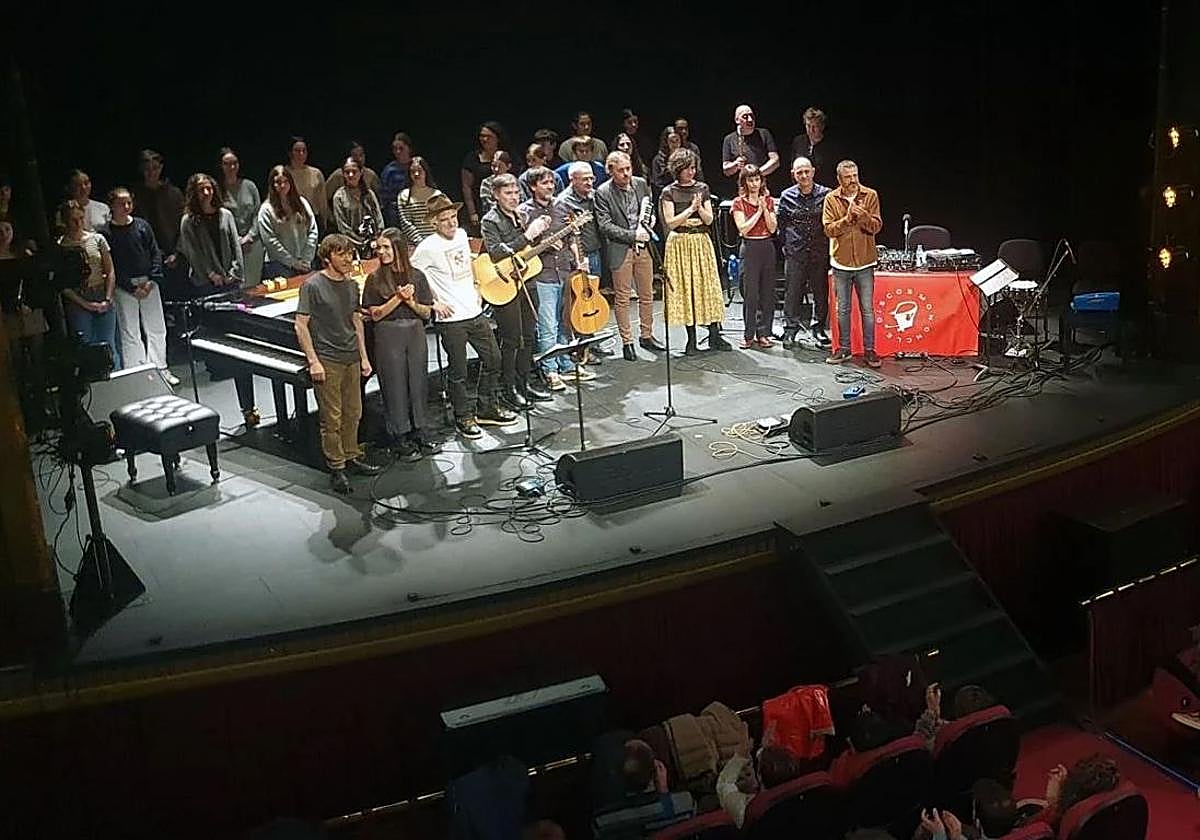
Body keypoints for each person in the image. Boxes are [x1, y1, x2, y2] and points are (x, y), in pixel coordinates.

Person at [411, 194, 515, 439]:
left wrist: (478, 286)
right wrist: (434, 302)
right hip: (451, 320)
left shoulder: (460, 236)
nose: (451, 223)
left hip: (474, 311)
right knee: (458, 371)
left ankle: (487, 407)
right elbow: (413, 277)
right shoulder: (427, 248)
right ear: (433, 223)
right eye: (444, 219)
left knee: (494, 359)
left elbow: (469, 264)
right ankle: (463, 416)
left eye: (453, 217)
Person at [294, 234, 382, 494]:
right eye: (341, 254)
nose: (347, 259)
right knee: (331, 418)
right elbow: (301, 325)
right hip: (328, 359)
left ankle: (352, 454)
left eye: (349, 253)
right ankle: (337, 467)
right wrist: (313, 361)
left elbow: (356, 322)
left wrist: (364, 357)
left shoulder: (352, 285)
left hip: (351, 357)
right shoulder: (312, 286)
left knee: (353, 411)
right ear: (327, 257)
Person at [362, 228, 440, 459]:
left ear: (399, 248)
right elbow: (374, 313)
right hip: (388, 334)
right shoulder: (374, 279)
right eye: (379, 247)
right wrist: (399, 298)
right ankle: (399, 435)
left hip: (414, 332)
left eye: (386, 247)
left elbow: (426, 312)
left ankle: (419, 430)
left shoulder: (417, 276)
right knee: (394, 384)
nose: (381, 251)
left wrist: (412, 302)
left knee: (417, 381)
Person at [481, 173, 553, 409]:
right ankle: (508, 388)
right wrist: (528, 235)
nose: (513, 197)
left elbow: (526, 252)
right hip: (505, 284)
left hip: (527, 280)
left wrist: (542, 237)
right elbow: (497, 253)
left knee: (529, 335)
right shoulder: (490, 221)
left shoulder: (521, 215)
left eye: (515, 193)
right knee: (512, 338)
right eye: (507, 193)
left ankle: (525, 383)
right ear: (496, 195)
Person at [660, 149, 731, 356]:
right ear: (678, 170)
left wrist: (699, 208)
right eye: (687, 169)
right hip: (680, 242)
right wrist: (691, 209)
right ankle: (691, 340)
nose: (691, 172)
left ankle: (714, 334)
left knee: (707, 287)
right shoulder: (669, 192)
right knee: (686, 289)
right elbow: (671, 222)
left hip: (701, 241)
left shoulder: (702, 188)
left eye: (693, 168)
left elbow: (709, 220)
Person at [99, 188, 174, 383]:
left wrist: (152, 279)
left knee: (156, 326)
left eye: (128, 203)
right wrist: (130, 287)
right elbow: (112, 263)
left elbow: (154, 252)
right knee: (129, 330)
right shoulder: (106, 232)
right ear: (112, 206)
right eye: (121, 203)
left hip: (148, 282)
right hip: (125, 287)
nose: (126, 207)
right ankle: (138, 373)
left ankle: (161, 368)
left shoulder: (142, 226)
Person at [520, 167, 582, 393]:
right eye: (544, 183)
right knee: (547, 325)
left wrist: (578, 261)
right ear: (534, 186)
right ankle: (550, 370)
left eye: (551, 183)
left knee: (565, 321)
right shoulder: (524, 212)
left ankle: (566, 364)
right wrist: (543, 244)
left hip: (564, 270)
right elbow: (522, 247)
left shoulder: (563, 206)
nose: (550, 186)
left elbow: (572, 237)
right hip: (542, 274)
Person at [594, 151, 657, 361]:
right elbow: (605, 226)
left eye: (628, 169)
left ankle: (647, 335)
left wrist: (651, 221)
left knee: (647, 294)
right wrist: (632, 235)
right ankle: (627, 342)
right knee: (622, 298)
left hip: (643, 247)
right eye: (621, 170)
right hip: (621, 249)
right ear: (610, 171)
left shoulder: (639, 183)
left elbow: (648, 208)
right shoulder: (603, 192)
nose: (626, 174)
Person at [822, 159, 882, 367]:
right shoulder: (831, 199)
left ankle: (870, 350)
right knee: (842, 309)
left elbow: (876, 227)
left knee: (867, 309)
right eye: (848, 177)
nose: (853, 180)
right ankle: (844, 349)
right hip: (841, 263)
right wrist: (847, 220)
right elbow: (828, 230)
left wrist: (863, 216)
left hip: (865, 262)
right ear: (839, 179)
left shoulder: (870, 195)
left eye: (855, 176)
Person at [777, 156, 832, 348]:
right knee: (793, 292)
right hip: (796, 251)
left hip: (819, 250)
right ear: (793, 175)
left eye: (806, 171)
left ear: (813, 172)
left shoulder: (827, 194)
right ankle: (790, 329)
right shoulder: (786, 196)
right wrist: (787, 247)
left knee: (820, 291)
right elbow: (781, 225)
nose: (804, 175)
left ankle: (818, 328)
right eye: (799, 172)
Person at [58, 199, 120, 368]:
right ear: (65, 221)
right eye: (73, 219)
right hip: (79, 299)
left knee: (108, 344)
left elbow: (110, 270)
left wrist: (107, 298)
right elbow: (63, 284)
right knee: (87, 346)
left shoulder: (97, 239)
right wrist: (86, 304)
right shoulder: (61, 246)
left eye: (80, 218)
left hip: (101, 293)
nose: (78, 223)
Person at [731, 164, 778, 349]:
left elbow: (773, 227)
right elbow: (743, 229)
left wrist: (765, 208)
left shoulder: (769, 200)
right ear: (745, 181)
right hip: (750, 247)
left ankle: (764, 333)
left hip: (767, 246)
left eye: (757, 179)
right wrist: (758, 211)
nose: (754, 183)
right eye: (750, 179)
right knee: (751, 294)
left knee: (767, 293)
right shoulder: (738, 203)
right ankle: (749, 334)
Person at [131, 150, 185, 293]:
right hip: (149, 259)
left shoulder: (174, 194)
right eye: (147, 169)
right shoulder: (135, 196)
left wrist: (177, 253)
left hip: (176, 256)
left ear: (161, 168)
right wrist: (156, 255)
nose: (151, 172)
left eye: (155, 168)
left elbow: (184, 226)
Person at [178, 173, 243, 292]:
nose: (206, 193)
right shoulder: (188, 221)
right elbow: (193, 253)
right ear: (194, 193)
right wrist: (211, 274)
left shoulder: (226, 215)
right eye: (201, 190)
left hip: (230, 279)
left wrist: (234, 272)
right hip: (206, 282)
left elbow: (235, 245)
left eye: (209, 188)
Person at [258, 165, 318, 279]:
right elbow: (270, 242)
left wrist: (307, 258)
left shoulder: (302, 202)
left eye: (286, 181)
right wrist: (293, 263)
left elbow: (313, 230)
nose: (282, 185)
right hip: (279, 266)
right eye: (278, 182)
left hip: (306, 263)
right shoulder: (266, 210)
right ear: (272, 184)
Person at [216, 147, 263, 287]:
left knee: (254, 285)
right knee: (236, 286)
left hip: (252, 243)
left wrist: (250, 236)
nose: (231, 167)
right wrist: (237, 241)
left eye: (234, 163)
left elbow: (257, 214)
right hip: (229, 246)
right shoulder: (217, 189)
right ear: (221, 166)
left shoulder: (249, 186)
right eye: (227, 164)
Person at [331, 158, 385, 255]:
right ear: (343, 174)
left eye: (354, 171)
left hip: (374, 244)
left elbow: (378, 218)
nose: (351, 175)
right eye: (347, 172)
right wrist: (360, 242)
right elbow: (343, 227)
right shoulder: (339, 197)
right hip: (352, 246)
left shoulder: (369, 194)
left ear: (361, 172)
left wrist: (377, 238)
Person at [462, 121, 506, 233]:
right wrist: (472, 212)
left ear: (497, 138)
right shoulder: (472, 158)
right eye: (482, 136)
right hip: (481, 207)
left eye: (489, 136)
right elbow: (466, 187)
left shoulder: (507, 156)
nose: (485, 139)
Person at [395, 156, 444, 249]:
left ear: (426, 172)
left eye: (419, 170)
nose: (416, 174)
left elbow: (442, 220)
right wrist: (422, 243)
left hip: (437, 243)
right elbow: (406, 223)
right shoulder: (404, 196)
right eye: (412, 171)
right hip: (415, 245)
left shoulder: (437, 194)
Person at [721, 105, 780, 180]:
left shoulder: (764, 134)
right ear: (737, 120)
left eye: (751, 116)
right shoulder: (729, 139)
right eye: (745, 116)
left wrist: (756, 175)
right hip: (740, 186)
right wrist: (735, 164)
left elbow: (775, 161)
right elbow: (726, 170)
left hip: (763, 183)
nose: (750, 119)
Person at [285, 136, 328, 233]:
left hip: (312, 218)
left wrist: (324, 223)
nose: (301, 154)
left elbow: (322, 202)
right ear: (290, 153)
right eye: (297, 150)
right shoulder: (284, 173)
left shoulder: (316, 173)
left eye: (304, 151)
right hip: (291, 220)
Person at [324, 140, 381, 206]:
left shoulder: (371, 175)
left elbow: (379, 199)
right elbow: (325, 196)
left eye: (361, 155)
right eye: (355, 155)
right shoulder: (338, 175)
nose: (359, 159)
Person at [791, 107, 837, 183]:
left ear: (822, 126)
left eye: (814, 126)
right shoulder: (798, 141)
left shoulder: (831, 145)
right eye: (808, 126)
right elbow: (793, 166)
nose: (811, 130)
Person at [379, 132, 413, 227]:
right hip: (395, 212)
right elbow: (384, 196)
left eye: (401, 148)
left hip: (415, 208)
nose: (398, 152)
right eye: (395, 149)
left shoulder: (417, 166)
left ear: (409, 149)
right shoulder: (389, 170)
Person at [479, 151, 515, 217]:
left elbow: (521, 200)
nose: (496, 169)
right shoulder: (486, 183)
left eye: (500, 166)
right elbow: (487, 205)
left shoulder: (514, 181)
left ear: (508, 166)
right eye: (494, 165)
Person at [651, 126, 682, 195]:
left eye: (677, 140)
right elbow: (657, 184)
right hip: (666, 195)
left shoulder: (687, 157)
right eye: (672, 141)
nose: (675, 144)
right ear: (666, 142)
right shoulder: (658, 160)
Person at [672, 117, 705, 181]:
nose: (683, 131)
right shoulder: (667, 149)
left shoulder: (693, 148)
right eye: (680, 129)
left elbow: (698, 171)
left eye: (686, 129)